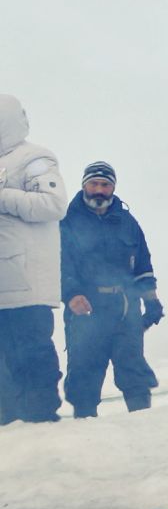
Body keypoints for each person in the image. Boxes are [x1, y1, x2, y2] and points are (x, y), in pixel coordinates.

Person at [60, 161, 161, 417]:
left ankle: (144, 426)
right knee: (84, 373)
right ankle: (85, 432)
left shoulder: (127, 222)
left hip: (125, 308)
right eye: (94, 183)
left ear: (113, 188)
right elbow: (59, 263)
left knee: (133, 370)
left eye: (105, 185)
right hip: (86, 309)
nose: (99, 190)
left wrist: (151, 301)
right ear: (84, 185)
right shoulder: (67, 222)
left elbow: (143, 265)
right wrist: (71, 295)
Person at [0, 94, 67, 423]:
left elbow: (53, 205)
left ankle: (42, 423)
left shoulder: (34, 158)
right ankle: (8, 425)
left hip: (26, 284)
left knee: (32, 353)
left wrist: (3, 196)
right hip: (3, 285)